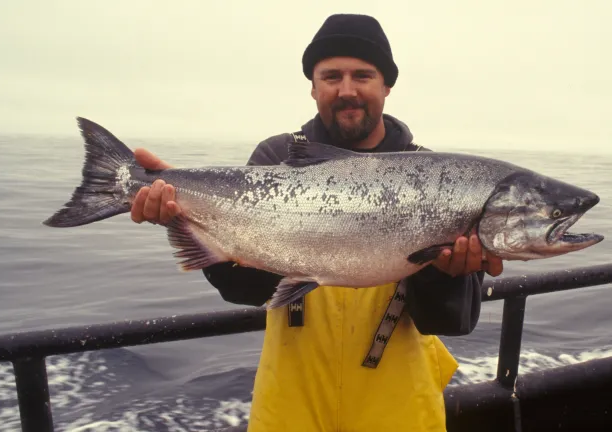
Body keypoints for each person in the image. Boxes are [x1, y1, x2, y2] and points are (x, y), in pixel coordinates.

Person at [129, 13, 504, 432]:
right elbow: (242, 290)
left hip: (398, 405)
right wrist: (183, 213)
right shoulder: (277, 159)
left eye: (363, 75)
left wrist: (445, 274)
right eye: (331, 76)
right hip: (293, 402)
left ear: (387, 85)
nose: (347, 90)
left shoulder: (435, 176)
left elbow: (453, 323)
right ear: (312, 86)